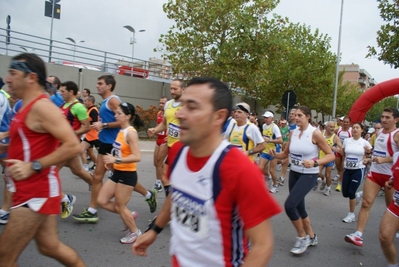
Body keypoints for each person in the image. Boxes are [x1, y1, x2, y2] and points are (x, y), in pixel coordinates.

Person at [133, 77, 281, 266]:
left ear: (219, 116)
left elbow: (263, 245)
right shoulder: (178, 151)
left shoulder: (242, 170)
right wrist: (155, 229)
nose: (180, 114)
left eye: (192, 107)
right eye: (182, 105)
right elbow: (178, 193)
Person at [0, 53, 85, 266]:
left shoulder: (42, 106)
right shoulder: (24, 106)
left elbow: (72, 145)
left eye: (12, 73)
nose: (7, 79)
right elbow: (26, 144)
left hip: (35, 192)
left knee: (4, 255)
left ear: (30, 77)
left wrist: (33, 166)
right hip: (30, 189)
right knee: (49, 246)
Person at [73, 75, 157, 222]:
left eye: (100, 83)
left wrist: (103, 125)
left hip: (113, 145)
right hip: (105, 143)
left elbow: (123, 119)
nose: (97, 86)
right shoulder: (106, 101)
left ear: (109, 86)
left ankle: (146, 196)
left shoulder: (113, 101)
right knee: (100, 177)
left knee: (120, 177)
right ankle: (93, 210)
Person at [271, 106, 335, 255]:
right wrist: (275, 154)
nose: (296, 117)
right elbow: (285, 154)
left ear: (308, 117)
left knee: (289, 205)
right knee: (300, 208)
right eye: (294, 115)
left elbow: (330, 155)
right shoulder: (293, 133)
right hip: (295, 173)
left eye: (299, 115)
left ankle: (302, 237)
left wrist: (315, 163)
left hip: (309, 174)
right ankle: (312, 236)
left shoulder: (315, 133)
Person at [345, 107, 399, 247]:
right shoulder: (379, 132)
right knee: (365, 203)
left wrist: (386, 160)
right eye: (383, 116)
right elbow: (377, 151)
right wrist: (370, 159)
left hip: (390, 176)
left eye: (388, 117)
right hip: (375, 173)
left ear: (396, 120)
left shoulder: (397, 135)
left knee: (391, 208)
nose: (384, 120)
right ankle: (358, 235)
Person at [97, 102, 143, 244]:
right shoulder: (121, 131)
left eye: (119, 114)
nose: (115, 115)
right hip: (117, 172)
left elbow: (137, 156)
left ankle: (136, 232)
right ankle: (128, 215)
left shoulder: (131, 132)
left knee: (119, 206)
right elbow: (119, 151)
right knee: (101, 201)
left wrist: (115, 159)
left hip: (127, 175)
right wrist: (111, 163)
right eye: (115, 113)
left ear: (128, 116)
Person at [57, 81, 93, 219]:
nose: (61, 93)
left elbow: (86, 127)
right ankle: (97, 187)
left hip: (68, 145)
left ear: (71, 92)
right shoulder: (63, 105)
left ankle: (66, 199)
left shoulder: (78, 107)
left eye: (63, 91)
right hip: (61, 143)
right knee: (77, 170)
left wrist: (70, 134)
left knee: (50, 172)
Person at [147, 79, 185, 196]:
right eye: (171, 89)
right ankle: (172, 202)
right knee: (165, 176)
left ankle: (174, 205)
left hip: (181, 148)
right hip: (170, 145)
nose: (172, 91)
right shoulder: (168, 104)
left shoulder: (188, 105)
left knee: (174, 178)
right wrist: (155, 129)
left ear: (183, 89)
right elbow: (165, 123)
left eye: (175, 89)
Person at [341, 122, 372, 223]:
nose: (355, 129)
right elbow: (343, 153)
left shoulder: (364, 142)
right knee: (345, 193)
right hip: (347, 169)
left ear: (362, 130)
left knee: (351, 192)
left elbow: (371, 154)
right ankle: (357, 196)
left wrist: (367, 155)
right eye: (353, 127)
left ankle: (351, 214)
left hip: (358, 169)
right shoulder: (346, 141)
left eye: (357, 128)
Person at [379, 151, 399, 267]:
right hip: (397, 204)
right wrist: (393, 181)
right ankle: (393, 264)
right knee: (385, 237)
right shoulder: (397, 155)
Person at [316, 121, 342, 196]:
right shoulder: (321, 134)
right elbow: (316, 143)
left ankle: (328, 188)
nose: (332, 128)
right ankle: (323, 180)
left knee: (328, 175)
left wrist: (338, 148)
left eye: (333, 127)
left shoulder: (335, 137)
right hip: (321, 158)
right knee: (317, 172)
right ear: (326, 127)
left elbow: (340, 145)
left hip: (329, 159)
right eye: (330, 127)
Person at [259, 111, 282, 193]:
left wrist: (270, 140)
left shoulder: (275, 127)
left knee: (272, 170)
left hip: (274, 151)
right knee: (260, 169)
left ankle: (275, 185)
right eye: (264, 117)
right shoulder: (264, 126)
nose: (265, 119)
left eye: (267, 117)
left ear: (272, 118)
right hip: (265, 151)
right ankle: (268, 178)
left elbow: (280, 140)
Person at [80, 95, 100, 172]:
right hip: (89, 136)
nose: (84, 102)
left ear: (90, 102)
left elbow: (95, 122)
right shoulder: (89, 109)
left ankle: (112, 170)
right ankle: (85, 167)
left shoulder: (93, 110)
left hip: (96, 136)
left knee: (103, 155)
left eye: (85, 101)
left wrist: (85, 125)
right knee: (81, 150)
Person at [153, 96, 168, 192]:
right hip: (158, 140)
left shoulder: (169, 114)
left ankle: (159, 182)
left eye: (163, 103)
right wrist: (154, 130)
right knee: (156, 163)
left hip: (165, 140)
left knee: (159, 162)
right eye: (160, 103)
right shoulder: (159, 113)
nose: (161, 105)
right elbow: (159, 126)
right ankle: (163, 178)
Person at [334, 116, 352, 192]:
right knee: (338, 167)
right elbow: (332, 137)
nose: (345, 123)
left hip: (346, 152)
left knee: (342, 166)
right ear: (342, 122)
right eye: (344, 122)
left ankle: (339, 184)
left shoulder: (351, 131)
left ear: (349, 123)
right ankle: (340, 176)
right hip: (338, 151)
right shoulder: (338, 130)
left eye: (347, 122)